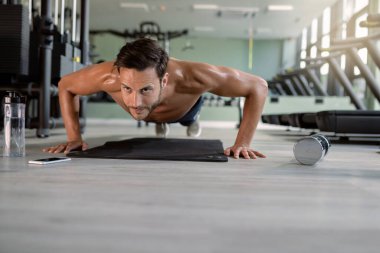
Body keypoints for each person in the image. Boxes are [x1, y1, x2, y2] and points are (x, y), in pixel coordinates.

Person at [43, 38, 268, 159]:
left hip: (184, 108)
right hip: (154, 112)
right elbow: (65, 85)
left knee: (189, 120)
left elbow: (258, 86)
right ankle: (159, 120)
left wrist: (243, 143)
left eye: (145, 90)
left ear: (164, 80)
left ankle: (192, 119)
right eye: (127, 89)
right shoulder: (107, 77)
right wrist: (74, 137)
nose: (134, 102)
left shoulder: (195, 77)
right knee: (145, 108)